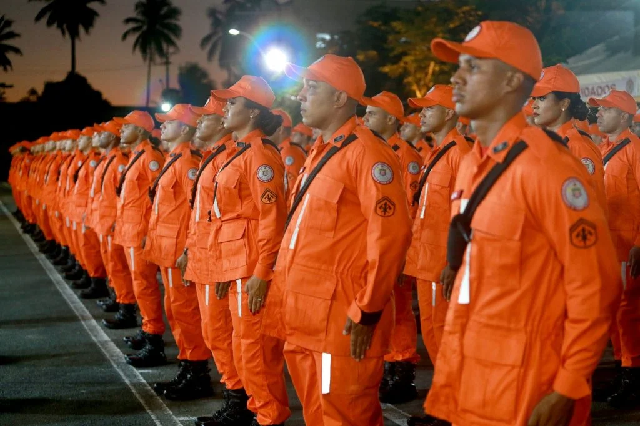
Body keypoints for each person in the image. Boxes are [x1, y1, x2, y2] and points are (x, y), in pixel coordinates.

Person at [410, 21, 620, 426]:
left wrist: (568, 385)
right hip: (476, 377)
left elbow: (595, 283)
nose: (456, 76)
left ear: (509, 81)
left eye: (473, 66)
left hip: (526, 387)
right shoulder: (475, 162)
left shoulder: (548, 167)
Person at [280, 54, 413, 426]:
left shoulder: (367, 153)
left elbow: (392, 234)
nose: (300, 95)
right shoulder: (321, 153)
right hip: (306, 318)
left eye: (312, 87)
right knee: (317, 417)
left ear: (340, 98)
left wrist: (368, 309)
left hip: (340, 320)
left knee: (344, 417)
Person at [205, 75, 290, 426]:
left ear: (253, 113)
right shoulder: (238, 153)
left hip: (252, 262)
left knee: (255, 348)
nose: (226, 107)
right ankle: (258, 412)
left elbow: (272, 219)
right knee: (243, 345)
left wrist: (262, 272)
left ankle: (269, 417)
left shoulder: (260, 156)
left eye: (233, 103)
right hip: (236, 261)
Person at [179, 96, 247, 425]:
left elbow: (233, 219)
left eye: (205, 118)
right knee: (214, 332)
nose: (198, 123)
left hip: (218, 257)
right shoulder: (214, 157)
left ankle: (238, 399)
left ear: (221, 123)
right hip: (205, 255)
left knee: (220, 333)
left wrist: (218, 260)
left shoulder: (229, 157)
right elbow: (202, 214)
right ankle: (236, 395)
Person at [143, 104, 213, 400]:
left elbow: (194, 209)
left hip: (178, 250)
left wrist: (188, 249)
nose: (162, 128)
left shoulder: (187, 162)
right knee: (176, 311)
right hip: (166, 248)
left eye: (169, 123)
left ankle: (197, 371)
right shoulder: (174, 159)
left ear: (184, 128)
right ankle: (188, 365)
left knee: (186, 312)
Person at [403, 85, 470, 393]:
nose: (422, 114)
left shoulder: (460, 154)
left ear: (450, 113)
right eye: (422, 109)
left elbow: (464, 215)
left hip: (441, 263)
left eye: (430, 108)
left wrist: (453, 261)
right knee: (431, 332)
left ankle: (453, 404)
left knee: (445, 334)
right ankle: (446, 401)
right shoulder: (435, 153)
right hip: (425, 261)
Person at [362, 90, 422, 403]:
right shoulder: (375, 150)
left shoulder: (405, 154)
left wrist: (402, 253)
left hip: (398, 245)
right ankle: (390, 364)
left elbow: (409, 207)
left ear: (389, 119)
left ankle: (403, 369)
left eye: (372, 114)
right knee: (386, 308)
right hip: (378, 244)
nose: (365, 118)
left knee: (399, 310)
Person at [589, 89, 640, 408]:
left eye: (605, 110)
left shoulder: (635, 150)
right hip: (605, 245)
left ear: (623, 116)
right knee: (613, 312)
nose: (598, 114)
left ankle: (632, 376)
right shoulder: (601, 149)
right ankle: (623, 372)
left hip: (626, 246)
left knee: (628, 313)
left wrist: (639, 243)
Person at [112, 110, 167, 367]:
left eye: (126, 127)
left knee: (145, 285)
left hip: (140, 231)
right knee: (139, 284)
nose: (121, 132)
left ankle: (154, 339)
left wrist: (149, 232)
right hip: (130, 229)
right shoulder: (137, 156)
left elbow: (159, 199)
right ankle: (147, 330)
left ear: (142, 131)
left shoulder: (151, 158)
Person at [531, 64, 608, 214]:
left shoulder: (578, 146)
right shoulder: (546, 142)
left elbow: (594, 207)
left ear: (564, 103)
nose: (534, 105)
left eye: (542, 98)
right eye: (534, 98)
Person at [271, 109, 307, 204]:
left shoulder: (288, 152)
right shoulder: (283, 150)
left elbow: (293, 189)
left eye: (268, 127)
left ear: (280, 129)